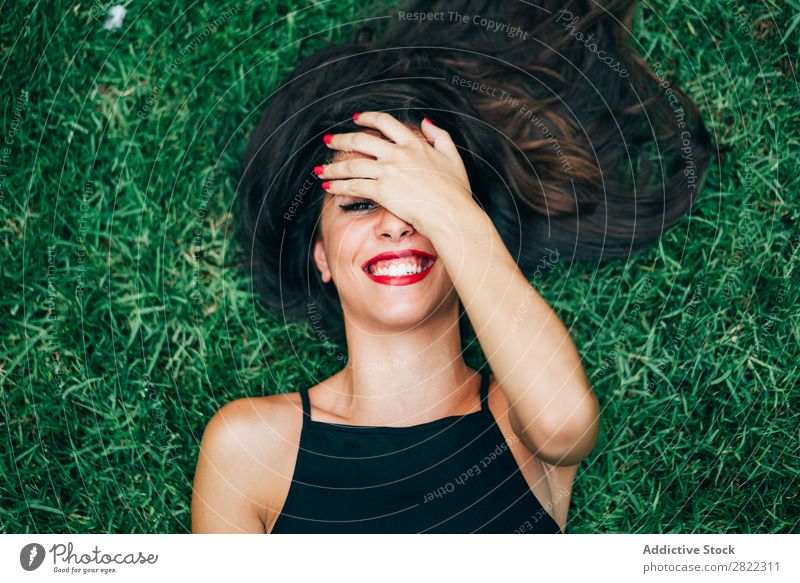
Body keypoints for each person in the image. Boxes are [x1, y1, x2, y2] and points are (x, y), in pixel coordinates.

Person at [191, 0, 711, 533]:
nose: (396, 226)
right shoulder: (249, 446)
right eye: (361, 202)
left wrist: (452, 210)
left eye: (422, 204)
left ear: (466, 232)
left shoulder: (521, 424)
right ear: (320, 256)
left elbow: (566, 426)